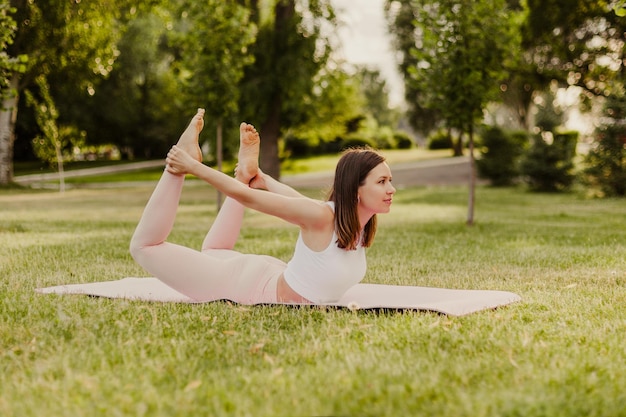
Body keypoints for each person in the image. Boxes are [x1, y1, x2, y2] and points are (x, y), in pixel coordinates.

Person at [129, 108, 396, 305]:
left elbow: (296, 200)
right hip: (247, 286)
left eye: (390, 180)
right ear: (355, 190)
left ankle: (244, 174)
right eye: (382, 181)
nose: (391, 189)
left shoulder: (352, 223)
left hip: (266, 274)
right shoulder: (323, 217)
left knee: (214, 251)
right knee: (143, 247)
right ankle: (178, 165)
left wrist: (262, 178)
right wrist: (192, 168)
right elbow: (250, 199)